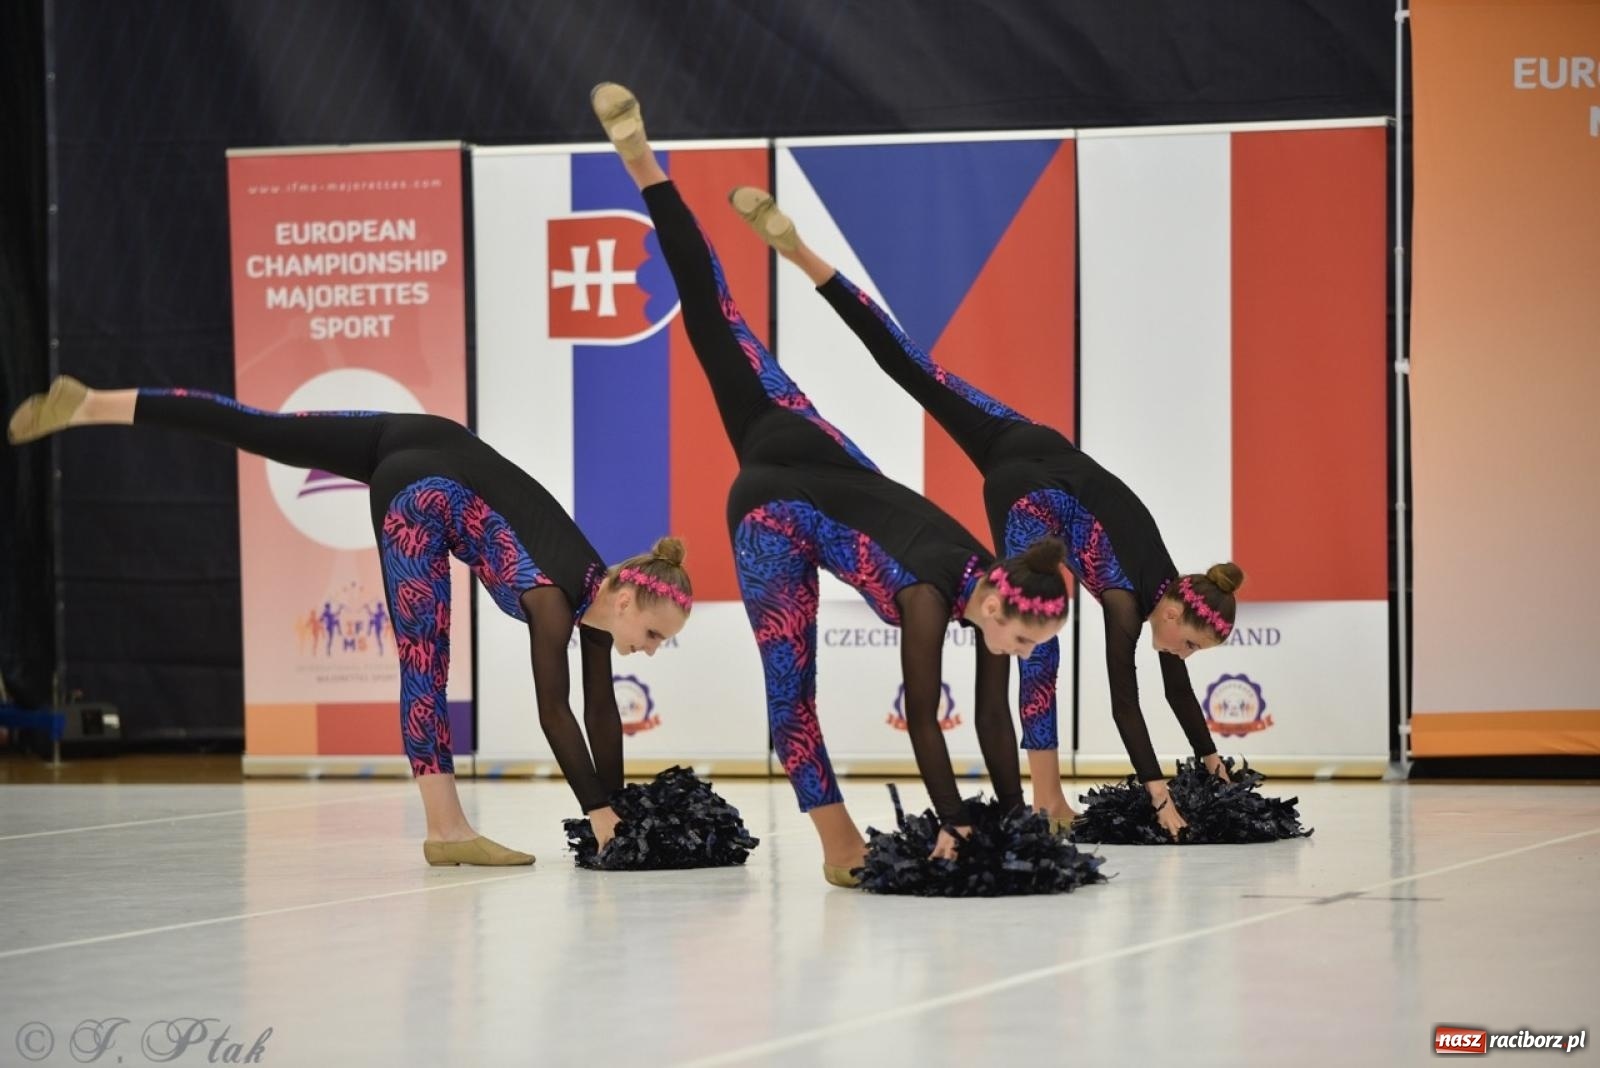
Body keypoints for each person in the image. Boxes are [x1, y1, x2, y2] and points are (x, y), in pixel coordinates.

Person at [591, 83, 1069, 886]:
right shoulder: (930, 595)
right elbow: (923, 715)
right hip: (775, 510)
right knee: (793, 684)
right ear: (996, 608)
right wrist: (955, 827)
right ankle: (837, 844)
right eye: (1023, 643)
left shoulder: (994, 581)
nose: (1020, 656)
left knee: (715, 314)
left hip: (800, 435)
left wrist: (1014, 819)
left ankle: (646, 165)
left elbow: (990, 715)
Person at [728, 186, 1244, 839]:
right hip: (1031, 494)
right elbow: (1126, 704)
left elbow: (1172, 690)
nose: (1185, 655)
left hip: (1028, 439)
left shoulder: (1173, 587)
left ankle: (801, 254)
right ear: (1174, 614)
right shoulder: (1124, 602)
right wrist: (1162, 799)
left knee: (914, 368)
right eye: (1190, 645)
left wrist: (1210, 758)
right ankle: (1040, 800)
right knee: (1012, 643)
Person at [8, 381, 693, 864]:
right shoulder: (551, 596)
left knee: (262, 427)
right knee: (426, 661)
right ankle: (446, 830)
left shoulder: (600, 586)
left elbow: (602, 710)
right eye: (656, 636)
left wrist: (621, 804)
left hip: (425, 437)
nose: (654, 651)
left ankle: (95, 402)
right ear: (630, 600)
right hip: (425, 492)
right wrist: (600, 814)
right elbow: (557, 711)